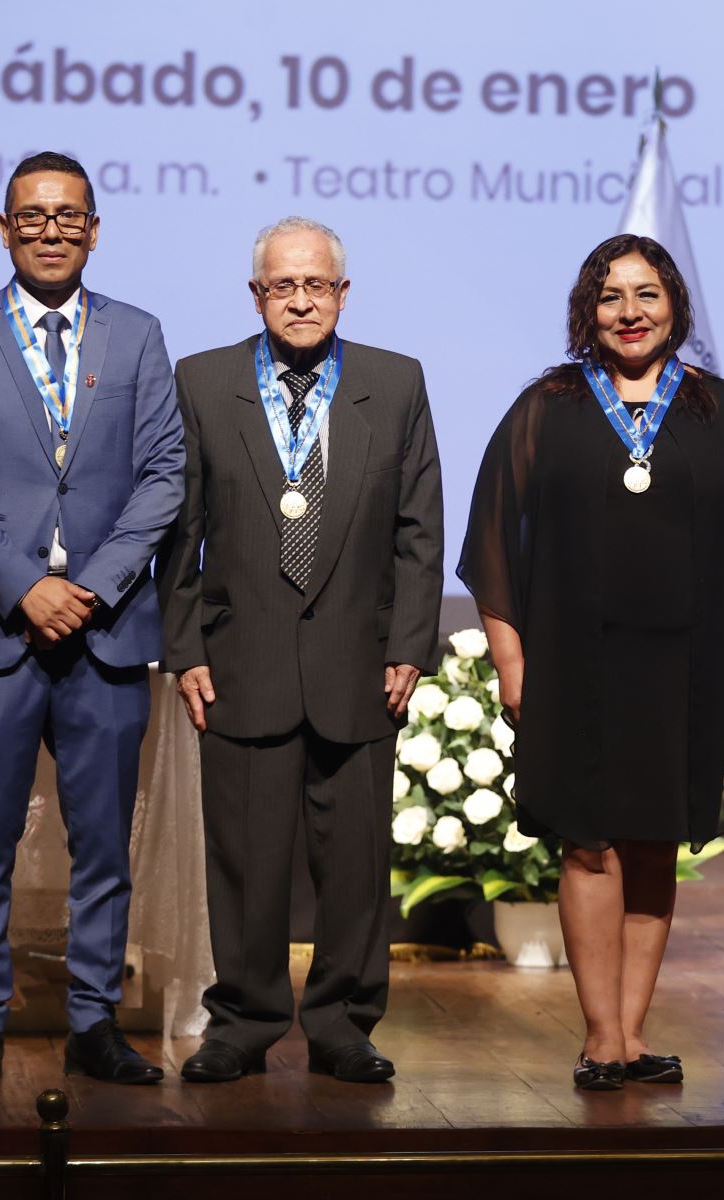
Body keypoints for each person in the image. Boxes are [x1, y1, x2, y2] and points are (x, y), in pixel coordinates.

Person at [460, 234, 724, 1091]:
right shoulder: (547, 408)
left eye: (647, 294)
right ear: (589, 311)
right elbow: (492, 535)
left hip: (688, 670)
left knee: (653, 847)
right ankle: (600, 1036)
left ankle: (636, 1033)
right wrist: (511, 661)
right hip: (575, 667)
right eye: (612, 296)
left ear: (675, 305)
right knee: (588, 846)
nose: (631, 312)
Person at [0, 151, 185, 1088]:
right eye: (32, 215)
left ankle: (94, 1022)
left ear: (95, 230)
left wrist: (93, 587)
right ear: (4, 229)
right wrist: (27, 586)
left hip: (105, 632)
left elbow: (164, 476)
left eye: (69, 216)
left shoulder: (137, 335)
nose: (51, 230)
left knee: (103, 845)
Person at [160, 217, 443, 1085]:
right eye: (282, 286)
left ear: (342, 294)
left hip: (360, 664)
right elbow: (179, 530)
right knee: (245, 864)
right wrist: (184, 648)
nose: (301, 300)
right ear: (256, 296)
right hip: (238, 664)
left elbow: (419, 528)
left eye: (316, 284)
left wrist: (410, 644)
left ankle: (343, 1024)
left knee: (355, 865)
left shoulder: (395, 382)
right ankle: (242, 1024)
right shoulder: (203, 381)